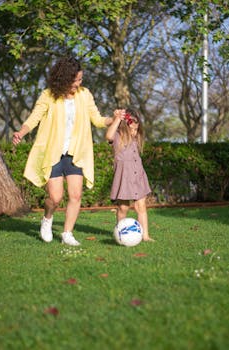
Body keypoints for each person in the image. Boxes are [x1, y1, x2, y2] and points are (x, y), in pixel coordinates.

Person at [13, 56, 119, 245]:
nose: (79, 83)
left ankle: (67, 234)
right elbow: (35, 117)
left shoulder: (85, 94)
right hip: (53, 152)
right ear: (64, 78)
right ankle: (47, 218)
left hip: (75, 152)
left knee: (75, 195)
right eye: (75, 80)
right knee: (55, 197)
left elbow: (97, 119)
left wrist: (114, 118)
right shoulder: (48, 95)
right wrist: (21, 132)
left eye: (80, 79)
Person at [105, 108, 154, 242]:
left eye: (136, 129)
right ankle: (121, 234)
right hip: (124, 177)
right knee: (123, 207)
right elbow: (108, 135)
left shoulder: (136, 138)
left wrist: (135, 130)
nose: (134, 132)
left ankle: (145, 236)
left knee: (141, 206)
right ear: (124, 127)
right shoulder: (117, 136)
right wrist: (117, 119)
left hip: (138, 175)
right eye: (131, 129)